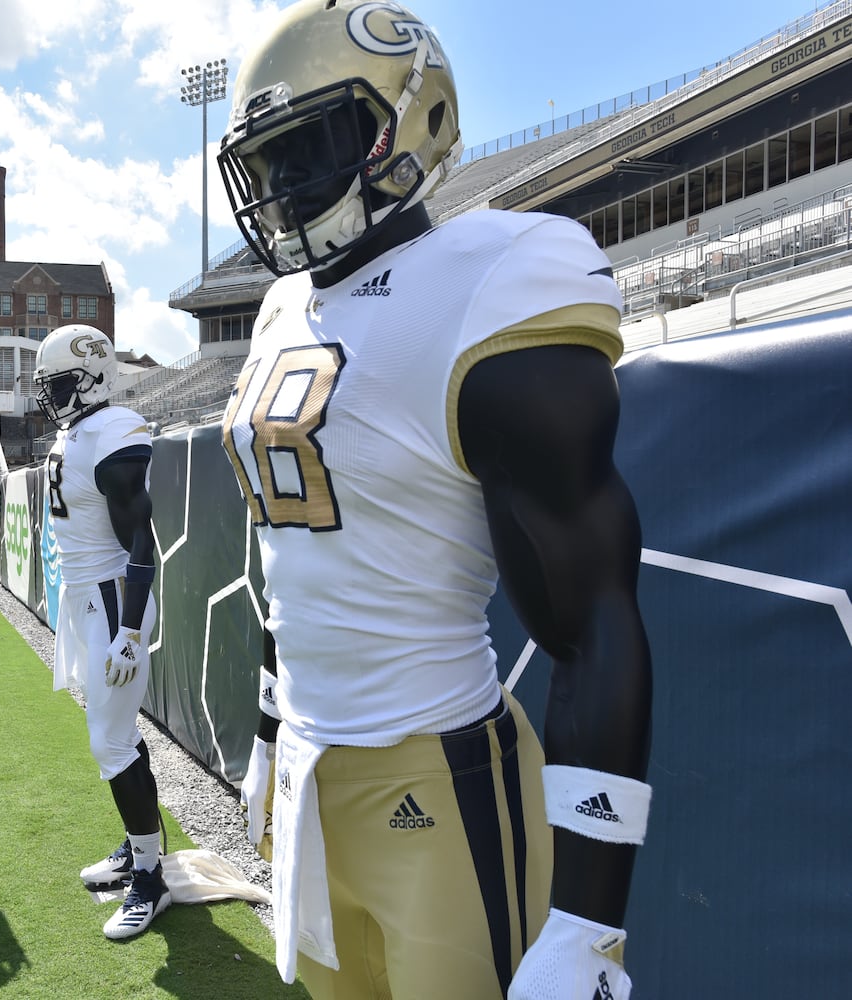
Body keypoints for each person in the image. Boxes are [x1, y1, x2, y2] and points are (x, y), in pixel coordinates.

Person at [217, 4, 653, 998]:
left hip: (440, 777)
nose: (284, 188)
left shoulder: (495, 278)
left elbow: (594, 620)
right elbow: (296, 557)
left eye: (310, 147)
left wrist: (591, 921)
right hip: (310, 775)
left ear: (412, 120)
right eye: (266, 165)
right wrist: (267, 733)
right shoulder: (281, 307)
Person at [34, 324, 169, 941]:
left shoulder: (113, 431)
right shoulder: (76, 432)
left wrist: (133, 629)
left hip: (115, 600)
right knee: (118, 735)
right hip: (87, 599)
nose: (50, 397)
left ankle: (150, 878)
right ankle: (141, 846)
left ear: (94, 377)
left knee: (108, 743)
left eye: (59, 384)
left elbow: (142, 539)